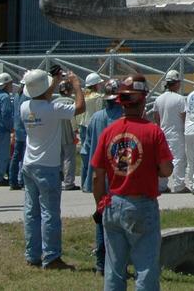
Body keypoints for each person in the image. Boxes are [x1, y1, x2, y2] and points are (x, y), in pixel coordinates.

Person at [92, 74, 173, 291]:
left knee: (114, 268)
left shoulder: (108, 132)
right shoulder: (153, 131)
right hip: (141, 204)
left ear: (121, 102)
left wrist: (101, 203)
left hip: (113, 202)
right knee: (145, 267)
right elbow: (166, 169)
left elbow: (97, 176)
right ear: (144, 100)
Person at [21, 66, 85, 270]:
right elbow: (80, 108)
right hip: (47, 165)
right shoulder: (53, 108)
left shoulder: (26, 106)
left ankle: (32, 254)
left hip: (29, 163)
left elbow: (42, 96)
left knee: (32, 212)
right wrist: (77, 87)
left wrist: (54, 82)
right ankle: (51, 257)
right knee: (50, 213)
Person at [85, 80, 124, 276]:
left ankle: (101, 263)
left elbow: (86, 149)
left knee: (100, 217)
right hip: (119, 176)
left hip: (98, 175)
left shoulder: (95, 119)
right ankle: (117, 262)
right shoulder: (124, 120)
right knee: (119, 222)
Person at [152, 70, 187, 194]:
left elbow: (156, 117)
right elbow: (184, 117)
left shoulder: (159, 99)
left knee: (162, 159)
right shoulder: (180, 99)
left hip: (163, 132)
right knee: (178, 159)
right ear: (176, 83)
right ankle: (179, 185)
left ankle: (161, 185)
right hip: (176, 133)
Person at [79, 72, 104, 192]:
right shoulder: (98, 97)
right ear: (95, 85)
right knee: (94, 155)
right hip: (93, 126)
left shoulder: (83, 96)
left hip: (83, 125)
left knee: (85, 154)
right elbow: (99, 112)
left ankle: (83, 182)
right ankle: (90, 183)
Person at [0, 73, 16, 186]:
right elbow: (6, 114)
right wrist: (11, 127)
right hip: (3, 130)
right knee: (3, 154)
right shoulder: (5, 97)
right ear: (6, 85)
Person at [58, 79, 80, 190]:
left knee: (58, 158)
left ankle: (57, 180)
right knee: (69, 158)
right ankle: (69, 182)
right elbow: (73, 119)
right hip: (68, 133)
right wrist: (76, 132)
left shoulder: (54, 102)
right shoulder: (71, 102)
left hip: (57, 135)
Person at [9, 78, 28, 190]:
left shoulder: (17, 95)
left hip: (18, 129)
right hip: (25, 129)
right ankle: (23, 180)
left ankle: (13, 180)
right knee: (25, 157)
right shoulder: (27, 96)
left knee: (16, 156)